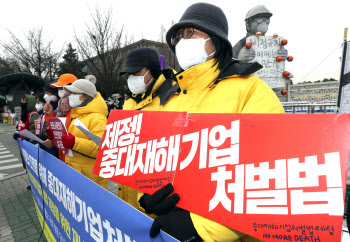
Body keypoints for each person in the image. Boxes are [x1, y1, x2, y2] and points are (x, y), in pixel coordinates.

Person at [140, 2, 284, 241]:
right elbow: (152, 160)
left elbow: (269, 176)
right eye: (177, 37)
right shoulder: (168, 98)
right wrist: (144, 196)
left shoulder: (250, 90)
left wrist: (202, 229)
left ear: (215, 39)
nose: (181, 41)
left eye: (188, 33)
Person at [118, 47, 173, 218]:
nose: (131, 78)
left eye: (136, 72)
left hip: (154, 193)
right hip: (127, 186)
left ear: (153, 69)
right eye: (128, 74)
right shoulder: (129, 101)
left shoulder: (172, 97)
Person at [48, 79, 108, 188]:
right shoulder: (78, 114)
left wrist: (74, 142)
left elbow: (102, 149)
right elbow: (70, 138)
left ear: (86, 96)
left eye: (74, 93)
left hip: (92, 179)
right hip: (78, 173)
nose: (70, 96)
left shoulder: (98, 118)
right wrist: (56, 135)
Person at [49, 74, 78, 162]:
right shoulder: (62, 107)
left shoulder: (76, 108)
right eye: (58, 88)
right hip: (63, 156)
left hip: (74, 160)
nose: (59, 90)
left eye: (61, 87)